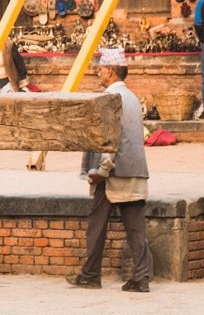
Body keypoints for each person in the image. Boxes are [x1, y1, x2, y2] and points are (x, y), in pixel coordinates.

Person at [67, 48, 151, 293]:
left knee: (96, 224)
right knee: (135, 228)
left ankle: (91, 274)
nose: (99, 73)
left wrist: (102, 169)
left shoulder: (109, 98)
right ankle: (141, 277)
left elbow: (111, 139)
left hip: (112, 172)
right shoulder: (133, 98)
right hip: (135, 169)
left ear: (111, 71)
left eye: (101, 69)